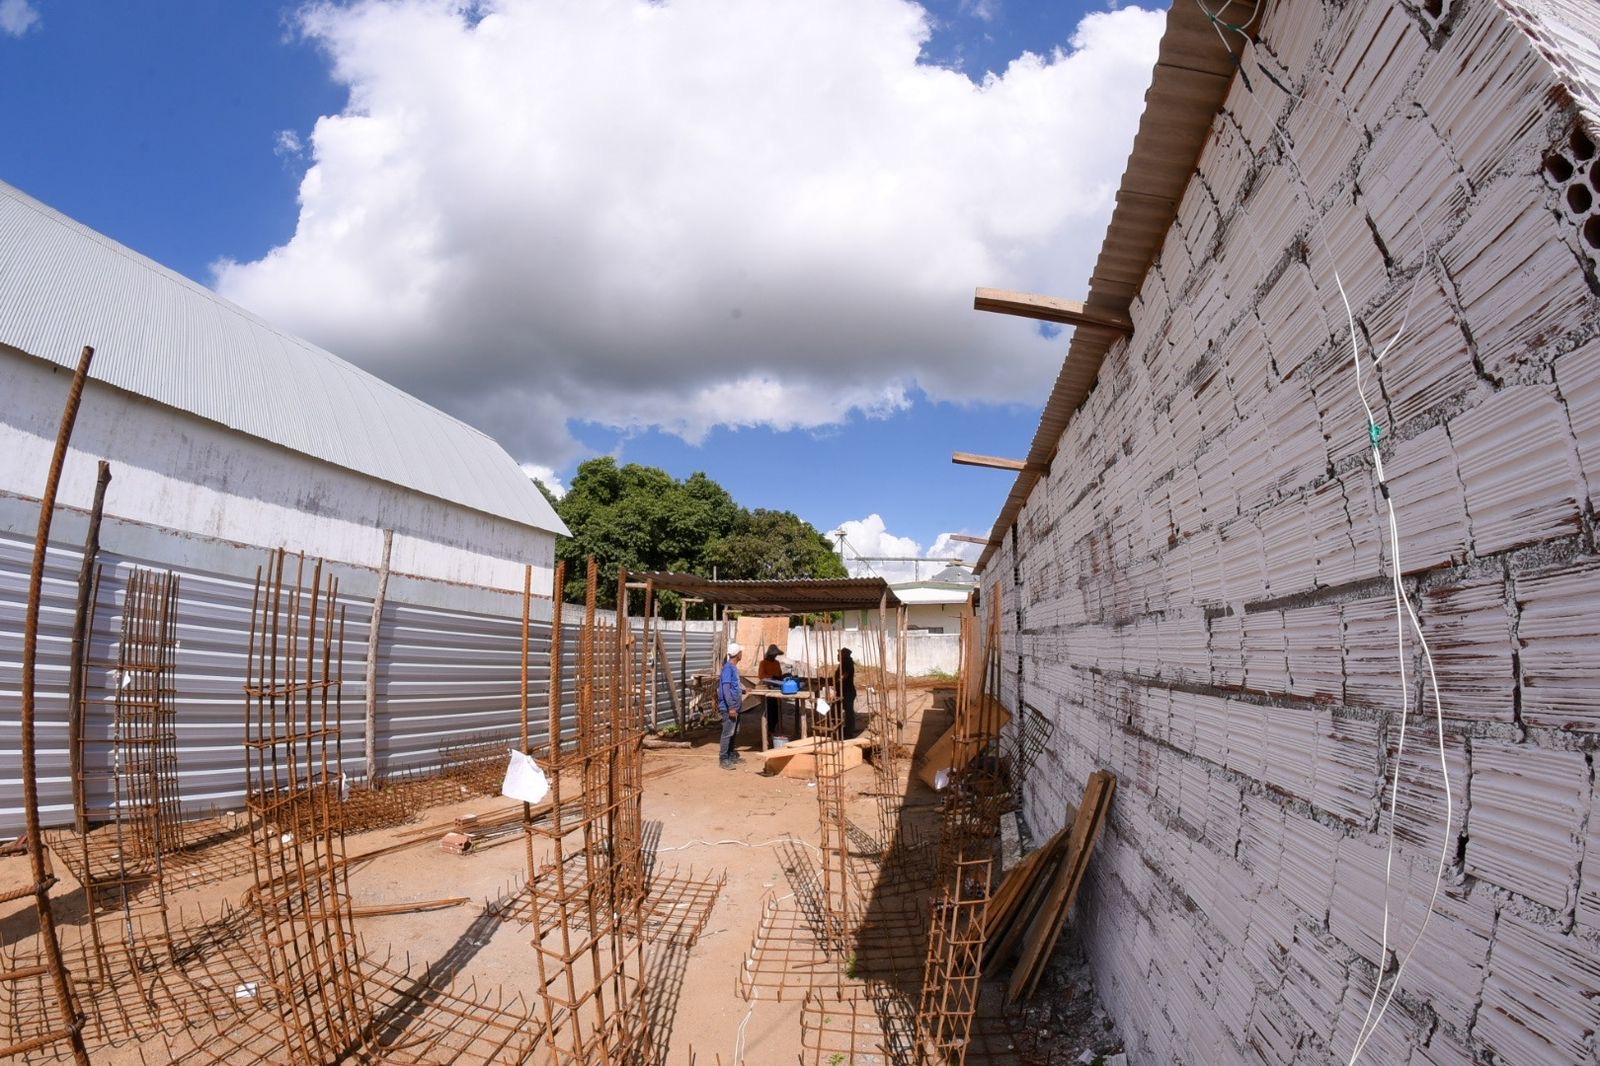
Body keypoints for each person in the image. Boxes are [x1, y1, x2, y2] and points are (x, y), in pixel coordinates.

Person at [718, 643, 744, 769]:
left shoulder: (733, 667)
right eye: (741, 652)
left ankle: (731, 755)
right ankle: (723, 759)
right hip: (730, 707)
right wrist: (731, 707)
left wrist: (744, 690)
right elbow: (726, 688)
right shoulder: (728, 668)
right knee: (728, 732)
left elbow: (734, 686)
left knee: (734, 732)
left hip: (735, 706)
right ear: (738, 654)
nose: (742, 654)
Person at [758, 644, 784, 741]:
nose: (774, 657)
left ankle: (772, 731)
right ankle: (768, 732)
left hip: (776, 688)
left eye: (775, 655)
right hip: (766, 688)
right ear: (769, 655)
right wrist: (772, 677)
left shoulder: (777, 663)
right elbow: (761, 676)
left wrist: (780, 677)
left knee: (775, 712)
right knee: (768, 711)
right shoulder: (763, 663)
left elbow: (780, 674)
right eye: (773, 655)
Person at [838, 647, 857, 738]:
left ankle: (849, 732)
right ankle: (843, 729)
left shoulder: (847, 663)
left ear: (844, 655)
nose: (838, 656)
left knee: (848, 712)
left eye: (840, 654)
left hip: (848, 692)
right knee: (838, 709)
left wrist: (835, 681)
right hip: (843, 691)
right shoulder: (843, 663)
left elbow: (844, 677)